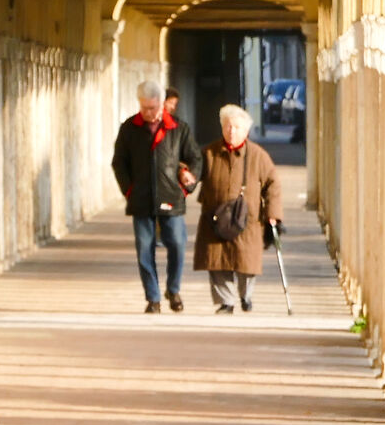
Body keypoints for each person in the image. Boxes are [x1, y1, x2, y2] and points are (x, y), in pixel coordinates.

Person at [111, 81, 200, 314]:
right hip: (141, 198)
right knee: (144, 249)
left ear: (162, 104)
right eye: (143, 108)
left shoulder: (179, 129)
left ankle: (173, 289)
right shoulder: (129, 128)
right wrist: (129, 190)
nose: (147, 113)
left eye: (152, 108)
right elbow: (119, 162)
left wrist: (187, 184)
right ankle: (153, 298)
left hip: (172, 196)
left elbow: (195, 158)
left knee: (177, 243)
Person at [194, 103, 283, 313]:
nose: (231, 131)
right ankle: (226, 301)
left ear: (246, 131)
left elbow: (273, 184)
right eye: (227, 126)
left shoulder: (258, 155)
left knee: (246, 261)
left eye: (236, 127)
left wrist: (272, 214)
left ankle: (246, 295)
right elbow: (193, 173)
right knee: (217, 261)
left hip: (248, 219)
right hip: (215, 217)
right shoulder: (209, 153)